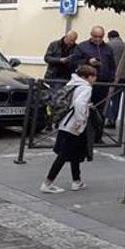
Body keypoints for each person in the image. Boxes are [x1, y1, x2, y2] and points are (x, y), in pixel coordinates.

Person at [39, 65, 97, 194]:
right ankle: (47, 183)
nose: (95, 79)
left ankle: (77, 181)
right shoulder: (86, 88)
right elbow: (79, 104)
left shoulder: (72, 83)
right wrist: (81, 120)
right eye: (93, 76)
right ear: (86, 77)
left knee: (75, 153)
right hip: (74, 125)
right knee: (64, 155)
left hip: (65, 122)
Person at [70, 26, 116, 143]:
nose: (98, 39)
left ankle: (98, 137)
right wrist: (87, 61)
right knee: (84, 109)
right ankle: (82, 136)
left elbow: (112, 65)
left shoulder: (108, 49)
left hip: (103, 85)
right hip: (86, 84)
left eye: (100, 37)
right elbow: (73, 62)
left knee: (101, 112)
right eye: (95, 36)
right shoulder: (82, 47)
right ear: (91, 35)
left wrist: (111, 77)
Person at [105, 30, 125, 128]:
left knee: (104, 97)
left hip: (109, 76)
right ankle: (112, 120)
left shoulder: (107, 46)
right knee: (116, 99)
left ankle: (107, 117)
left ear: (109, 37)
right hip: (122, 78)